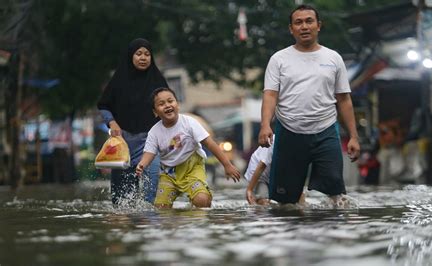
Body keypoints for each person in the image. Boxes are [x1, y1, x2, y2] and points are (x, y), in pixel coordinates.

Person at [258, 4, 360, 205]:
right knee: (284, 203)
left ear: (318, 25)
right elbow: (270, 95)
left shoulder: (333, 58)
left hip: (326, 131)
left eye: (309, 21)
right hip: (289, 132)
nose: (304, 26)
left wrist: (354, 136)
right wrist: (265, 125)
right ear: (291, 29)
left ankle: (335, 233)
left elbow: (344, 99)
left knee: (337, 196)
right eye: (298, 22)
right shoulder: (278, 59)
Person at [135, 88, 241, 208]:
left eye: (170, 101)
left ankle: (201, 205)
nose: (167, 105)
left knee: (202, 201)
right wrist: (142, 165)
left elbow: (210, 144)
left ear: (177, 105)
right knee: (161, 207)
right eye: (161, 104)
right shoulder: (154, 132)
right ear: (155, 112)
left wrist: (227, 165)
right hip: (169, 174)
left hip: (192, 169)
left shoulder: (189, 123)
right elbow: (149, 153)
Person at [97, 38, 169, 205]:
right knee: (121, 200)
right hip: (123, 145)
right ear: (130, 56)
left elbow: (168, 106)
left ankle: (148, 228)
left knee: (151, 194)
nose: (143, 58)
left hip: (151, 144)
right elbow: (103, 105)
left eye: (147, 54)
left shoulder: (158, 81)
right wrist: (112, 123)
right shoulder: (119, 80)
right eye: (139, 54)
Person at [245, 135, 305, 205]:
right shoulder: (273, 142)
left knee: (294, 202)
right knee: (263, 202)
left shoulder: (301, 146)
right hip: (259, 174)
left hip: (277, 173)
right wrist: (249, 189)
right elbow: (261, 166)